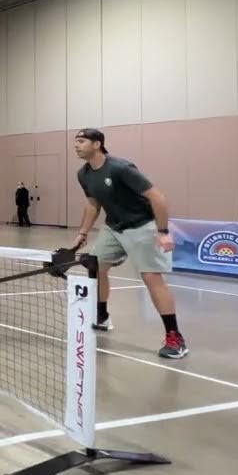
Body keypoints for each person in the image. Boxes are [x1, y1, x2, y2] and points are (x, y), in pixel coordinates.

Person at [72, 128, 187, 359]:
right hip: (114, 227)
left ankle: (175, 337)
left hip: (142, 225)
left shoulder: (120, 168)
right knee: (95, 265)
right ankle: (102, 316)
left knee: (151, 277)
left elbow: (157, 197)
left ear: (97, 144)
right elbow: (93, 204)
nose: (76, 145)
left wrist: (163, 232)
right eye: (76, 142)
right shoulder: (83, 174)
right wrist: (83, 232)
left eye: (81, 141)